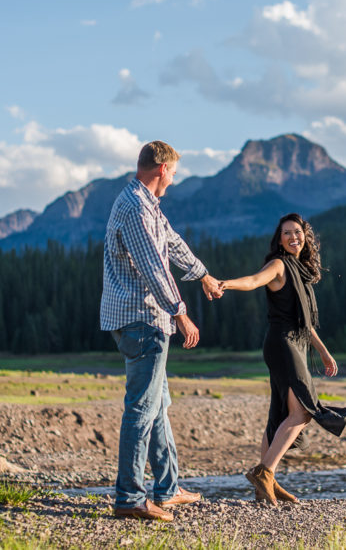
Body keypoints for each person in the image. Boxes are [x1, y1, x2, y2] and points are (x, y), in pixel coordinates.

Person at [101, 140, 223, 522]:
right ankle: (129, 498)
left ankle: (167, 489)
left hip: (144, 319)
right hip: (143, 320)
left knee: (157, 406)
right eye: (173, 173)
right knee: (141, 408)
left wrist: (203, 275)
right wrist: (181, 313)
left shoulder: (147, 204)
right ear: (161, 169)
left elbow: (172, 243)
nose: (173, 179)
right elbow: (155, 268)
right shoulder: (136, 208)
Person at [221, 213, 346, 504]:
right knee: (302, 411)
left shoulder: (301, 271)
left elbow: (304, 322)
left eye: (297, 232)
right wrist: (226, 284)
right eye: (287, 233)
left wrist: (323, 351)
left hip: (294, 343)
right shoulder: (279, 264)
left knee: (281, 414)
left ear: (305, 236)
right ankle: (264, 473)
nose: (294, 237)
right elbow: (254, 280)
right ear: (279, 240)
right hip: (282, 344)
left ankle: (266, 485)